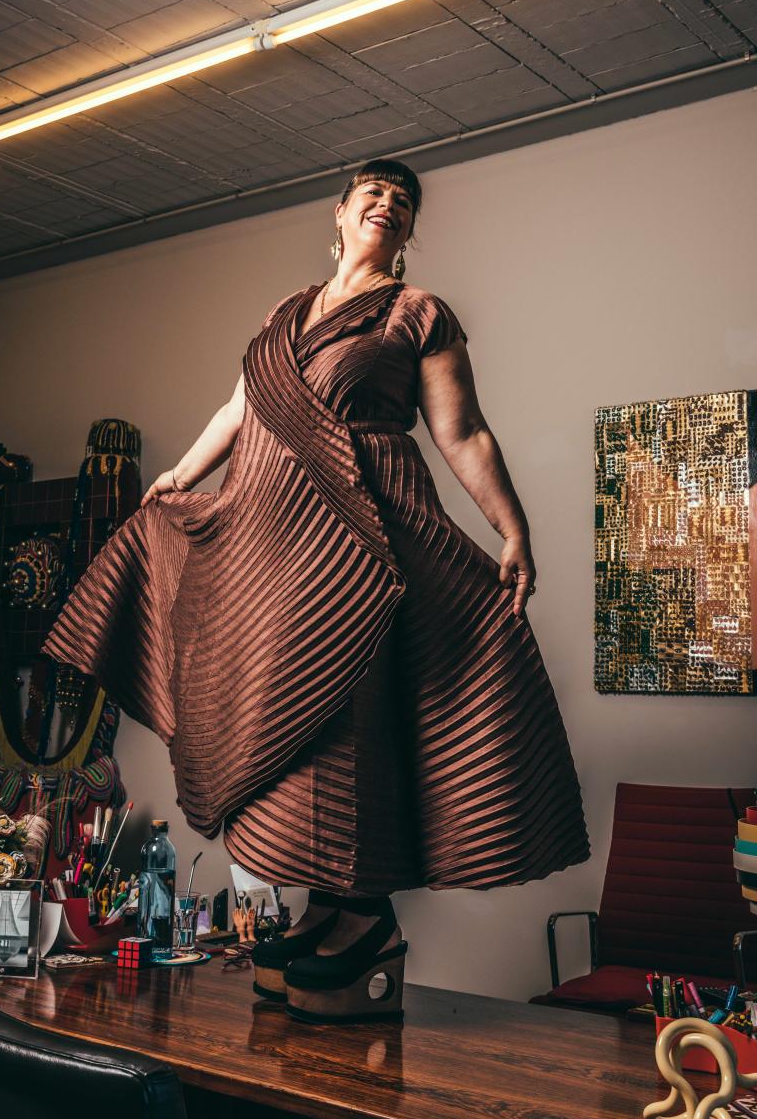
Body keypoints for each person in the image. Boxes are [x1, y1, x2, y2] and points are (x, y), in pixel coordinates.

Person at [43, 158, 588, 1022]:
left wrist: (512, 529)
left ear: (407, 234)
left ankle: (361, 914)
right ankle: (333, 908)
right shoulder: (282, 314)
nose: (388, 202)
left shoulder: (419, 314)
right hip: (268, 535)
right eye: (372, 192)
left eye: (403, 201)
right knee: (277, 706)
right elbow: (238, 412)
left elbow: (464, 430)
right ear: (338, 215)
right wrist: (181, 476)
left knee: (350, 713)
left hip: (364, 529)